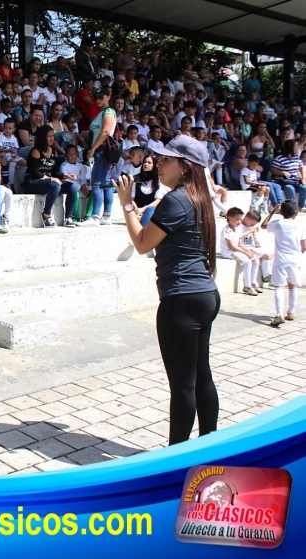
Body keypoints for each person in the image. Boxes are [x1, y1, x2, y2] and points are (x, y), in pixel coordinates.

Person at [115, 135, 220, 446]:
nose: (159, 163)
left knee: (183, 386)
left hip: (181, 300)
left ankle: (176, 460)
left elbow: (142, 242)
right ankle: (208, 446)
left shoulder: (176, 200)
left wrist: (125, 203)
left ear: (185, 167)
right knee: (202, 376)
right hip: (205, 294)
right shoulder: (198, 197)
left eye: (167, 159)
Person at [262, 201, 306, 326]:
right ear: (296, 213)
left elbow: (263, 225)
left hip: (280, 259)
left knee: (279, 287)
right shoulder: (300, 225)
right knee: (293, 287)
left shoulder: (277, 224)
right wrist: (298, 254)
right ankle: (291, 312)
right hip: (295, 259)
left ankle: (279, 314)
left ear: (281, 212)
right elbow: (304, 245)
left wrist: (273, 211)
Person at [81, 87, 116, 227]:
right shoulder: (102, 112)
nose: (98, 99)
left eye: (102, 96)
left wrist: (93, 148)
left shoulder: (108, 111)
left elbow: (106, 131)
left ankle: (95, 216)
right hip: (102, 149)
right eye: (96, 97)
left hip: (102, 149)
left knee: (97, 183)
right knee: (106, 184)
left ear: (108, 96)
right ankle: (106, 215)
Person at [22, 125, 61, 228]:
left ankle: (69, 217)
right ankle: (46, 215)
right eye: (49, 136)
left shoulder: (54, 152)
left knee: (72, 187)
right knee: (55, 185)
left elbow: (55, 171)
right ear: (43, 137)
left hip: (47, 182)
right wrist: (51, 179)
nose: (52, 138)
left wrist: (65, 175)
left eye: (53, 136)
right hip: (32, 182)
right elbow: (35, 172)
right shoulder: (36, 151)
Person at [220, 207, 261, 296]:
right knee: (247, 262)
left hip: (236, 250)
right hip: (229, 252)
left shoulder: (238, 229)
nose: (239, 222)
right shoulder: (227, 230)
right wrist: (245, 253)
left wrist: (248, 251)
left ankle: (253, 282)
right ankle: (247, 286)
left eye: (240, 219)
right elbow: (231, 246)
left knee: (255, 259)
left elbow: (240, 243)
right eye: (237, 219)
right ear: (230, 218)